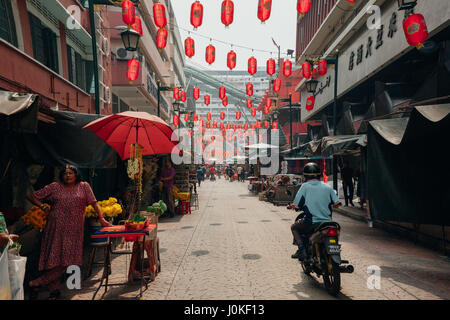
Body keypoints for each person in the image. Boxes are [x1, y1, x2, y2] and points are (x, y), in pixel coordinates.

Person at [26, 164, 111, 300]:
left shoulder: (84, 186)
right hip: (55, 228)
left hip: (74, 230)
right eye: (65, 173)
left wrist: (101, 218)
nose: (68, 175)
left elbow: (94, 203)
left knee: (68, 260)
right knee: (53, 259)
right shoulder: (54, 187)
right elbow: (32, 196)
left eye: (71, 173)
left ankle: (36, 283)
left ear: (76, 175)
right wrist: (42, 206)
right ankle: (54, 291)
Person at [288, 163, 341, 261]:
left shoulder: (305, 186)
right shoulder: (327, 187)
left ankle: (301, 250)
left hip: (311, 222)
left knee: (294, 227)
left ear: (305, 176)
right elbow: (336, 204)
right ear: (319, 175)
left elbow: (297, 205)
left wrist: (292, 206)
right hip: (328, 223)